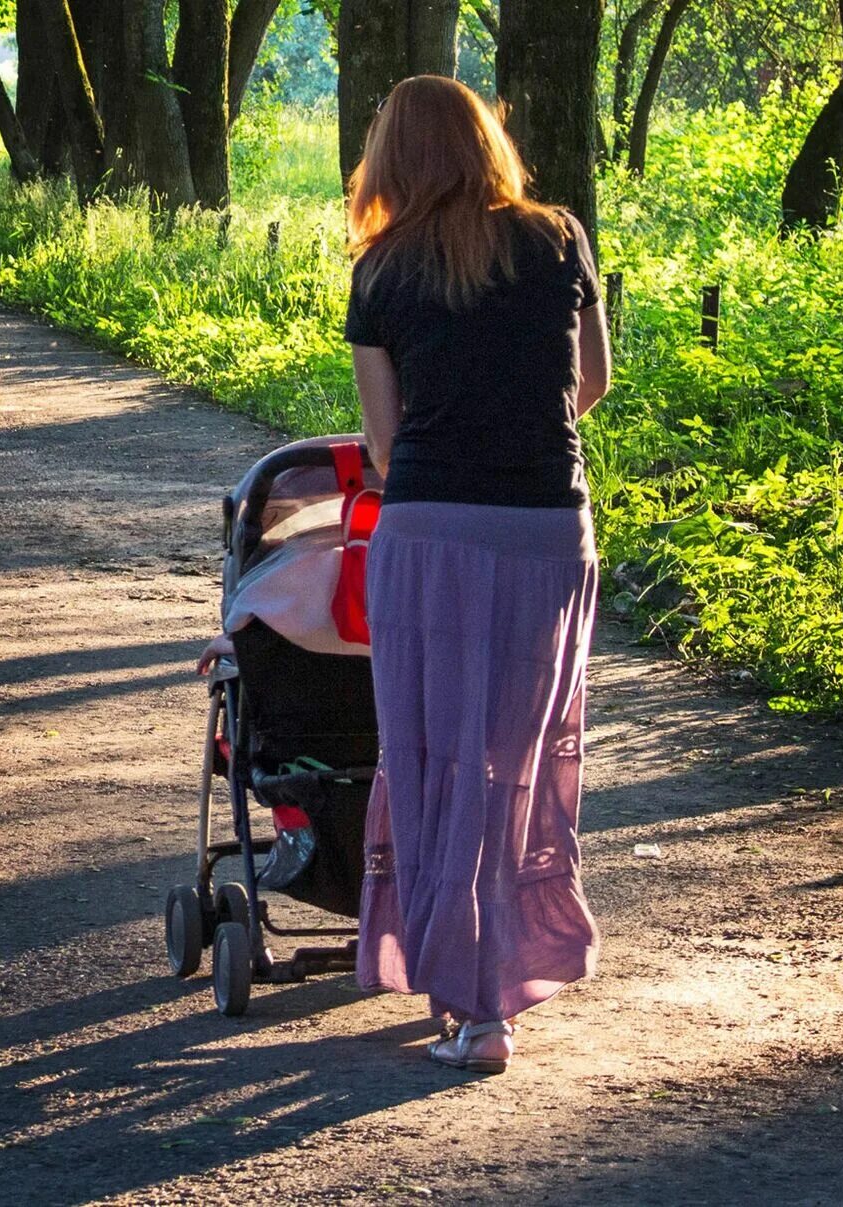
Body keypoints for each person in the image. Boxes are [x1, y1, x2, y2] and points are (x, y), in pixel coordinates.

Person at [345, 75, 612, 1075]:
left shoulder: (379, 271)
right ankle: (500, 977)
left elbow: (383, 440)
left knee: (432, 757)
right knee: (520, 759)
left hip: (429, 533)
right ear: (486, 143)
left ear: (391, 161)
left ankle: (468, 1000)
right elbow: (590, 383)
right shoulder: (558, 239)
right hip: (547, 530)